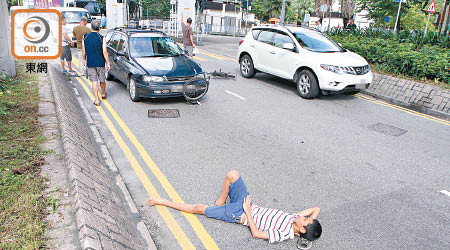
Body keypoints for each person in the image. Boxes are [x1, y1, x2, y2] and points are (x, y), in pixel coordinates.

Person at [147, 170, 322, 244]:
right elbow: (317, 208)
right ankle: (220, 202)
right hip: (248, 204)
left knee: (199, 209)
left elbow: (257, 233)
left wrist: (247, 212)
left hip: (241, 213)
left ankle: (163, 201)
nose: (304, 216)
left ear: (302, 229)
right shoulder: (295, 218)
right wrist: (309, 227)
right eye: (306, 217)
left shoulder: (285, 233)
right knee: (233, 174)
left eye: (305, 219)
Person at [82, 19, 110, 106]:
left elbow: (84, 50)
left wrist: (84, 59)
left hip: (90, 63)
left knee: (94, 81)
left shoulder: (85, 37)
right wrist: (108, 63)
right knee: (102, 79)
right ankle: (103, 94)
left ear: (91, 27)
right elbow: (104, 52)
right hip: (100, 62)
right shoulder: (102, 38)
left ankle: (97, 100)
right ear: (99, 28)